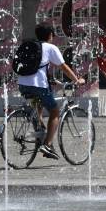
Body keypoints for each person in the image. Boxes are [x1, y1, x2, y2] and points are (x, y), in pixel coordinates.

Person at [18, 23, 83, 160]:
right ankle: (47, 144)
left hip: (23, 84)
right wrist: (76, 80)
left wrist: (51, 80)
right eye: (52, 35)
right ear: (50, 35)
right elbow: (63, 67)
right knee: (55, 111)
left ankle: (40, 129)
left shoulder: (30, 46)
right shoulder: (50, 47)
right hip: (38, 86)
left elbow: (37, 66)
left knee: (38, 103)